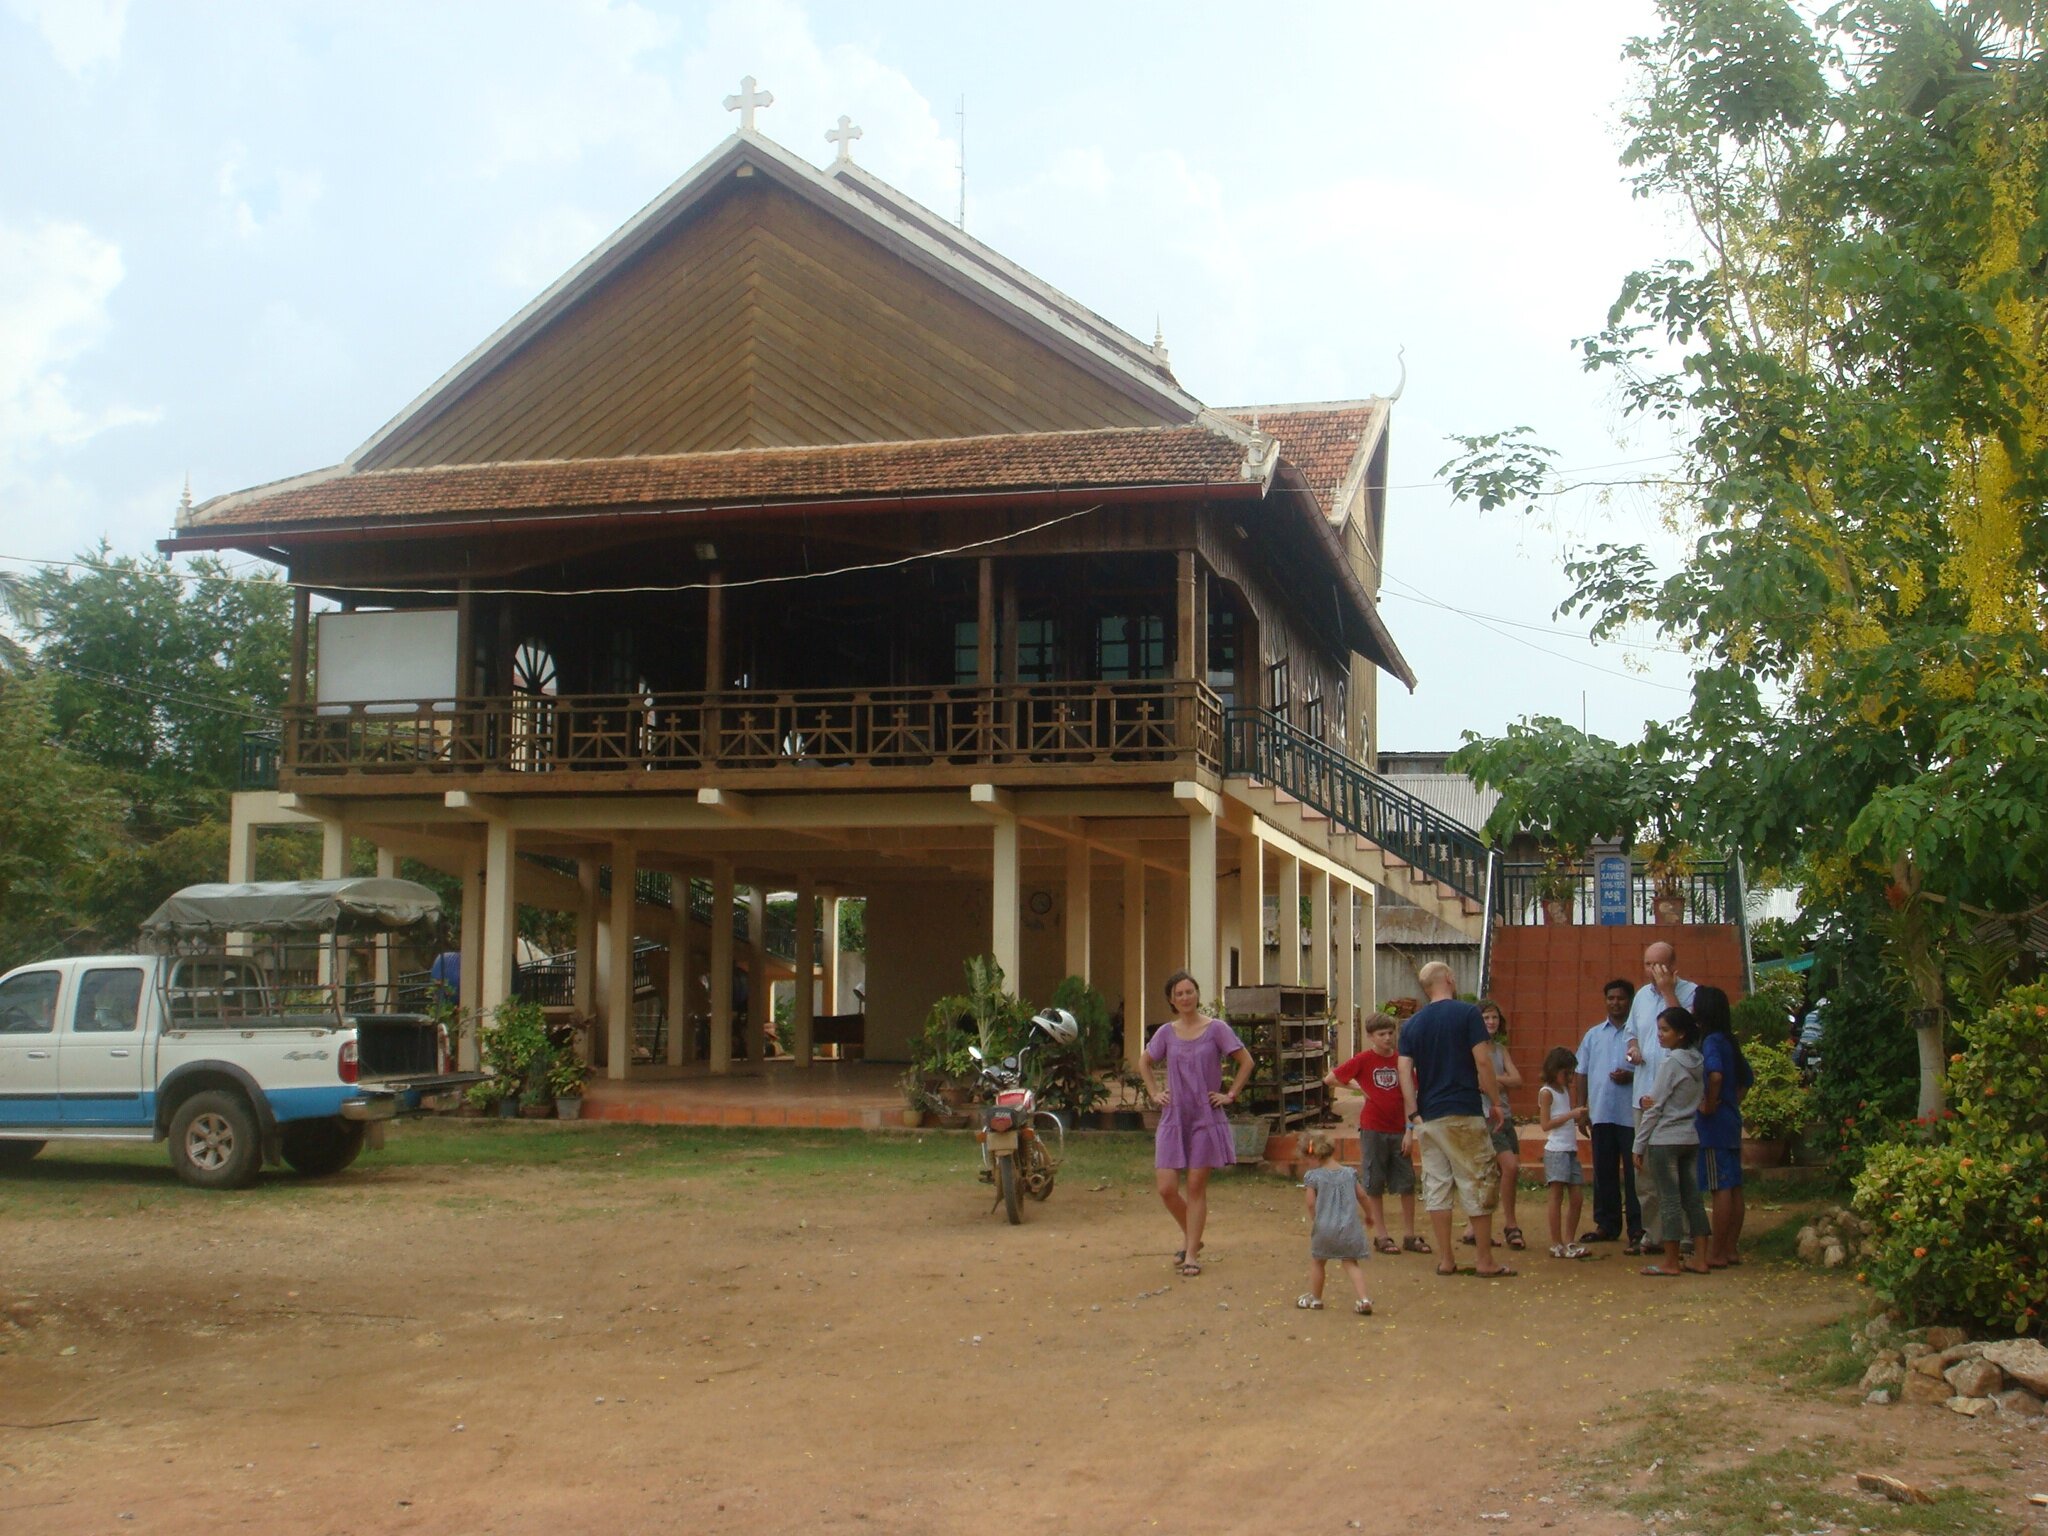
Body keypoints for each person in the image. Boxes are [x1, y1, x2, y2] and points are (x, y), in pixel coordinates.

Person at [1397, 960, 1514, 1277]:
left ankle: (1447, 1258)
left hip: (1429, 1115)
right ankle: (1484, 1260)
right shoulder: (1467, 1014)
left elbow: (1404, 1070)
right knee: (1477, 1180)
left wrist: (1413, 1111)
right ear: (1448, 977)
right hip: (1462, 1107)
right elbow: (1483, 1061)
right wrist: (1494, 1101)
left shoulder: (1412, 1025)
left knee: (1437, 1185)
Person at [1138, 970, 1253, 1278]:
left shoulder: (1216, 1029)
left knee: (1195, 1187)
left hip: (1205, 1116)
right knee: (1166, 1188)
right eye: (1179, 994)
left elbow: (1247, 1061)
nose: (1186, 997)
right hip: (1173, 1115)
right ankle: (1194, 1237)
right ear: (1171, 1000)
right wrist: (1154, 1092)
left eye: (1190, 991)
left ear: (1197, 994)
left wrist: (1230, 1094)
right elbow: (1144, 1062)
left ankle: (1190, 1254)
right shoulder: (1165, 1032)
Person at [1324, 1012, 1429, 1255]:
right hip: (1373, 1128)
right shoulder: (1363, 1059)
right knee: (1374, 1182)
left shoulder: (1402, 1061)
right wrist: (1359, 1087)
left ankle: (1409, 1234)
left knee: (1406, 1183)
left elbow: (1409, 1096)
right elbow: (1330, 1078)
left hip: (1398, 1128)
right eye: (1381, 1034)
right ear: (1371, 1037)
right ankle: (1381, 1235)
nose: (1387, 1038)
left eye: (1391, 1033)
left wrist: (1408, 1131)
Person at [1633, 1005, 1711, 1276]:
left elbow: (1655, 1106)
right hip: (1690, 1136)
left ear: (1680, 1034)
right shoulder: (1698, 1060)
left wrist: (1638, 1144)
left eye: (1665, 1030)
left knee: (1668, 1200)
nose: (1659, 1036)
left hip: (1665, 1138)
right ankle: (1700, 1257)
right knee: (1693, 1199)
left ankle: (1670, 1261)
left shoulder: (1672, 1062)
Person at [1575, 978, 1644, 1249]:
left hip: (1631, 1115)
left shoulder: (1638, 1034)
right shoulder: (1594, 1035)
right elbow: (1581, 1072)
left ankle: (1638, 1228)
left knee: (1634, 1173)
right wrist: (1582, 1109)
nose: (1615, 1003)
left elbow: (1649, 1068)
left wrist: (1631, 1076)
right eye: (1611, 998)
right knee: (1604, 1172)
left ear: (1630, 1001)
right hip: (1602, 1113)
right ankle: (1606, 1224)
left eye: (1621, 998)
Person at [1692, 985, 1752, 1268]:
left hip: (1714, 1125)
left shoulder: (1711, 1042)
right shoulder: (1730, 1041)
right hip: (1731, 1120)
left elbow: (1714, 1075)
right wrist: (1730, 1102)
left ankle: (1716, 1251)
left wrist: (1709, 1103)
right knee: (1735, 1185)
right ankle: (1730, 1248)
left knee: (1720, 1187)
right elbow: (1746, 1080)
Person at [1462, 999, 1525, 1251]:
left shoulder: (1500, 1050)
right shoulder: (1472, 1050)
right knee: (1508, 1167)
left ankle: (1472, 1227)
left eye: (1494, 1018)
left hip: (1505, 1115)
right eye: (1486, 1018)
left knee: (1496, 1172)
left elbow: (1517, 1080)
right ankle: (1510, 1224)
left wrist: (1491, 1078)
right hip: (1485, 1116)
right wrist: (1498, 1080)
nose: (1490, 1022)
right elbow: (1477, 1081)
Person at [1298, 1131, 1374, 1315]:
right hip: (1348, 1227)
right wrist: (1369, 1215)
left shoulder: (1313, 1177)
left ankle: (1316, 1299)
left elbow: (1310, 1202)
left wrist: (1316, 1219)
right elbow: (1363, 1196)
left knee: (1318, 1261)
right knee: (1350, 1263)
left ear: (1313, 1155)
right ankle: (1363, 1298)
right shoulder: (1349, 1173)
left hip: (1324, 1227)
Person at [1625, 941, 1698, 1128]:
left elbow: (1685, 1029)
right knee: (1643, 1152)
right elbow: (1631, 1031)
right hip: (1644, 1093)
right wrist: (1633, 1048)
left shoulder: (1692, 993)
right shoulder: (1642, 996)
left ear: (1672, 966)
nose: (1651, 970)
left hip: (1675, 1097)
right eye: (1647, 964)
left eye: (1657, 964)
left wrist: (1667, 991)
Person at [1537, 1046, 1591, 1259]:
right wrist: (1571, 1114)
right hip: (1556, 1150)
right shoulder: (1547, 1092)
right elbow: (1545, 1124)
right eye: (1565, 1073)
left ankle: (1569, 1240)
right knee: (1556, 1196)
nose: (1569, 1077)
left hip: (1570, 1149)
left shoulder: (1565, 1091)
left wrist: (1579, 1117)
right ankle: (1556, 1242)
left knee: (1577, 1197)